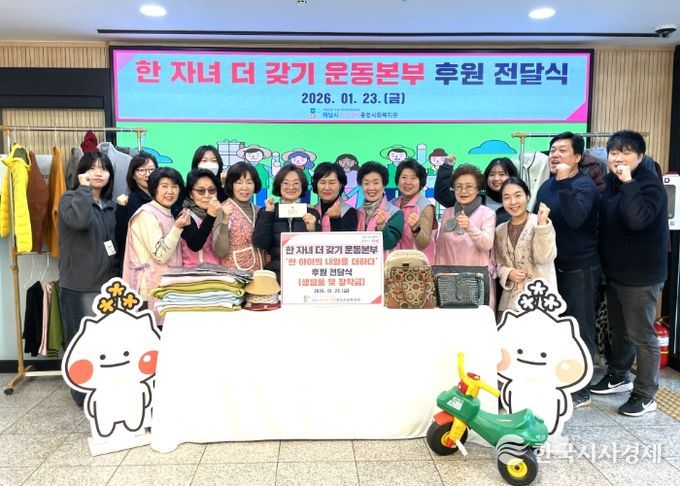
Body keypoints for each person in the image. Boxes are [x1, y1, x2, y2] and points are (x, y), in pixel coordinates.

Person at [591, 130, 669, 417]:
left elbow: (637, 220)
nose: (618, 158)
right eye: (614, 152)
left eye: (625, 153)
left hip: (642, 275)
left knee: (641, 334)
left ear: (640, 156)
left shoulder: (649, 185)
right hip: (616, 273)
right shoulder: (610, 183)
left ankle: (646, 393)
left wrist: (628, 182)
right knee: (619, 329)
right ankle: (619, 375)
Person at [533, 132, 600, 409]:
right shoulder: (547, 186)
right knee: (557, 326)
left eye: (562, 150)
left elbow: (575, 219)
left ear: (577, 157)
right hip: (551, 268)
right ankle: (561, 379)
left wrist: (563, 183)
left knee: (580, 328)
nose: (555, 155)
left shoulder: (584, 185)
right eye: (552, 150)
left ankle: (582, 388)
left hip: (579, 267)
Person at [58, 151, 119, 406]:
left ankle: (101, 392)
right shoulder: (69, 199)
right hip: (80, 286)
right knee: (82, 343)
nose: (98, 173)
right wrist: (83, 190)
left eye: (103, 169)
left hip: (107, 286)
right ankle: (82, 397)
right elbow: (80, 222)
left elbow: (112, 244)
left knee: (104, 344)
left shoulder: (109, 205)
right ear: (82, 172)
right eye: (92, 168)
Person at [123, 168, 190, 315]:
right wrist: (177, 227)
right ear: (154, 189)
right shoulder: (146, 214)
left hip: (165, 289)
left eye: (174, 186)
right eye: (164, 186)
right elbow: (160, 255)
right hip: (148, 292)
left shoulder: (168, 212)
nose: (170, 191)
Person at [435, 164, 496, 308]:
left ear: (478, 189)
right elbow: (440, 248)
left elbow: (487, 244)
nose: (463, 191)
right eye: (459, 186)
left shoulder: (487, 213)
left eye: (469, 187)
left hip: (476, 280)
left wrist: (469, 227)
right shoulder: (448, 213)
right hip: (448, 281)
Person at [494, 177, 556, 312]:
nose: (513, 202)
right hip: (510, 303)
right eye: (507, 197)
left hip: (539, 299)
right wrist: (508, 273)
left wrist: (542, 224)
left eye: (518, 195)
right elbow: (496, 263)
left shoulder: (540, 223)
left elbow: (544, 258)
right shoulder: (500, 230)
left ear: (527, 196)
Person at [252, 165, 320, 282]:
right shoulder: (267, 210)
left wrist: (312, 229)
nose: (291, 187)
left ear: (302, 186)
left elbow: (319, 248)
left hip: (304, 273)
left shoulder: (311, 212)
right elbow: (260, 243)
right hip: (275, 274)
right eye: (286, 183)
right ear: (279, 185)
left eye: (296, 183)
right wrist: (268, 214)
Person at [213, 162, 267, 272]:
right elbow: (220, 251)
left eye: (249, 182)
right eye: (239, 182)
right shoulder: (223, 210)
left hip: (260, 276)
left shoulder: (259, 210)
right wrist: (224, 222)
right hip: (235, 276)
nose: (245, 187)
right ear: (231, 185)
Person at [435, 155, 519, 225]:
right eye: (492, 174)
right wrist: (446, 166)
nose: (496, 178)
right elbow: (442, 195)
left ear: (512, 177)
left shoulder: (519, 203)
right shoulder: (473, 199)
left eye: (502, 174)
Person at [390, 158, 436, 263]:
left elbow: (423, 243)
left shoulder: (425, 206)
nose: (408, 182)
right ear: (398, 180)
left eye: (413, 178)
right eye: (404, 177)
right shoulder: (391, 204)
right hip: (396, 263)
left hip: (418, 266)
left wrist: (415, 228)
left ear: (421, 182)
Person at [115, 152, 158, 260]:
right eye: (142, 170)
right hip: (142, 259)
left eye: (151, 169)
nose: (147, 174)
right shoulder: (130, 201)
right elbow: (123, 237)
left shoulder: (164, 198)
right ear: (133, 175)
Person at [356, 162, 404, 253]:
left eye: (376, 183)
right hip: (360, 261)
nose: (371, 188)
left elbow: (390, 243)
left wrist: (382, 227)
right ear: (361, 186)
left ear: (384, 184)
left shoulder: (395, 213)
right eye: (366, 183)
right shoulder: (355, 212)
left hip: (385, 262)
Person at [180, 169, 223, 266]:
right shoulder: (185, 215)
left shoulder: (221, 212)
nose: (207, 195)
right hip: (194, 272)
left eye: (212, 190)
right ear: (191, 194)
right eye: (201, 191)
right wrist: (210, 216)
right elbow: (195, 245)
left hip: (218, 270)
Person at [311, 162, 358, 232]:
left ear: (341, 185)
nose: (327, 188)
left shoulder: (348, 211)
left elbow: (347, 238)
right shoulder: (312, 211)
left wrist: (335, 219)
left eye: (332, 183)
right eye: (322, 182)